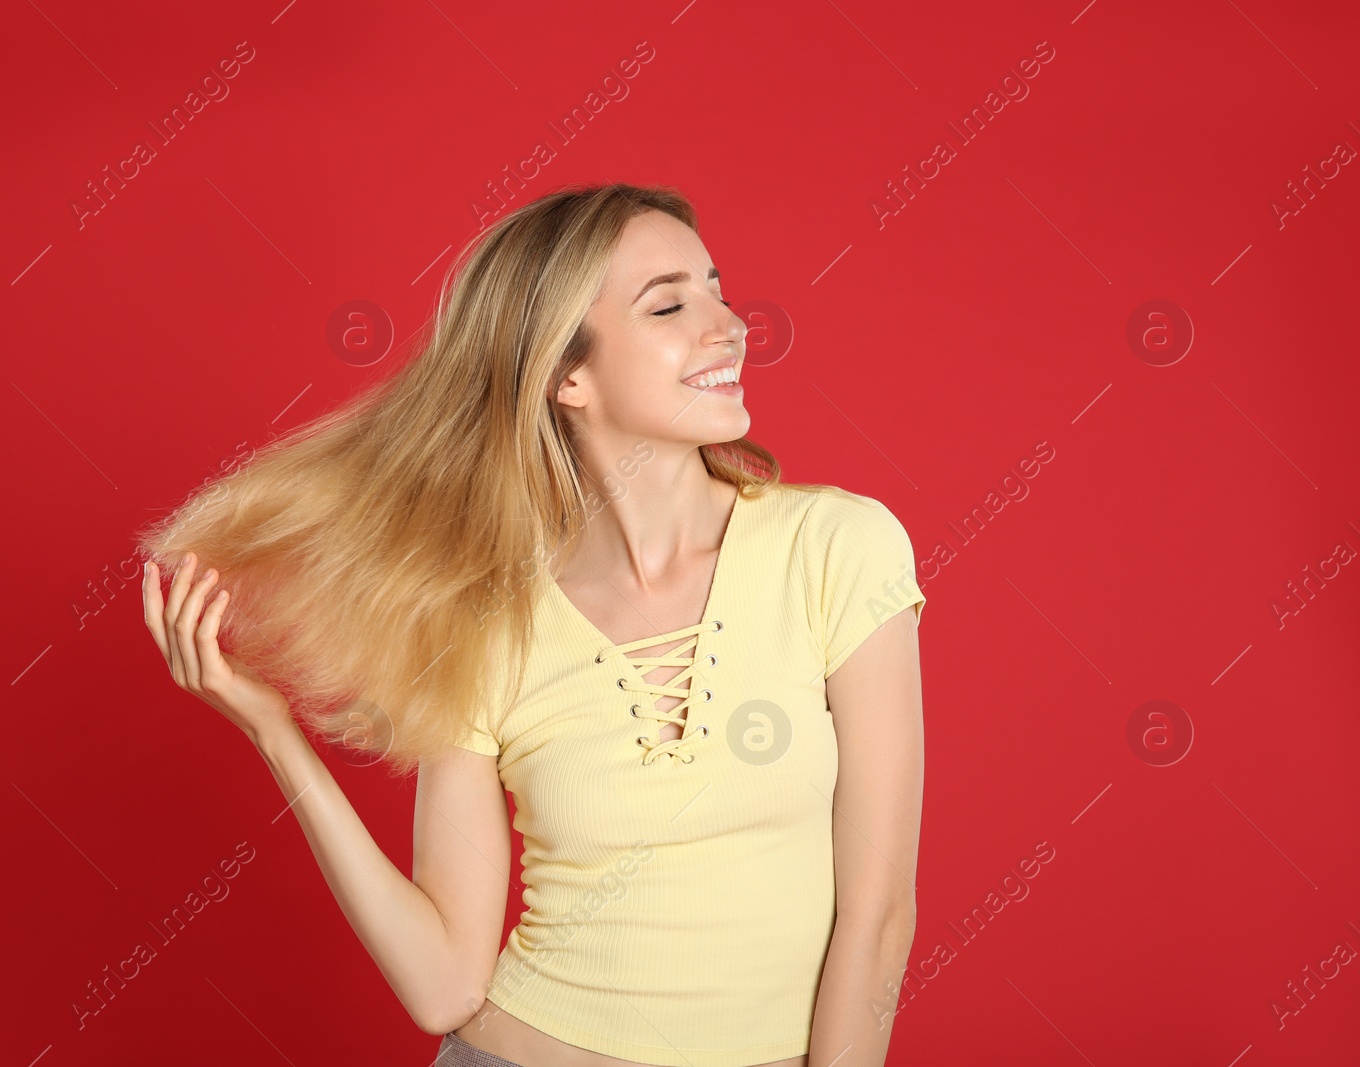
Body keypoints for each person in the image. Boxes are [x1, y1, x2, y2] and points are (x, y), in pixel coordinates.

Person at [136, 183, 927, 1067]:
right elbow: (445, 983)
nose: (729, 325)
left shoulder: (837, 548)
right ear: (566, 374)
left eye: (719, 291)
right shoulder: (485, 619)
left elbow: (879, 911)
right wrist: (275, 733)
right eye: (670, 304)